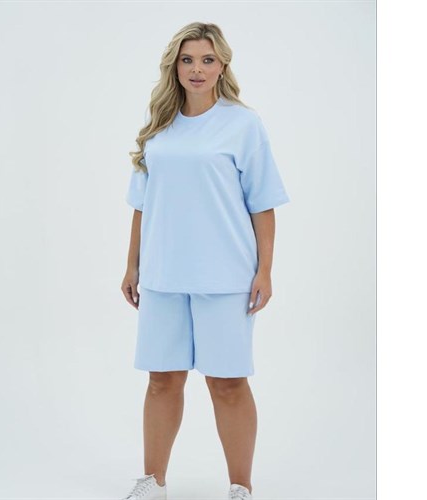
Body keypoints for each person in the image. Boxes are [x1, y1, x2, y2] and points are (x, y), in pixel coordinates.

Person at [120, 21, 290, 500]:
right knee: (161, 380)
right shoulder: (158, 125)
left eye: (207, 59)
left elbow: (263, 203)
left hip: (226, 276)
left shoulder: (243, 124)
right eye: (188, 60)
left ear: (222, 66)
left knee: (228, 383)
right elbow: (142, 203)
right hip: (163, 275)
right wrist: (132, 265)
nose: (197, 69)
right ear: (174, 66)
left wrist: (265, 270)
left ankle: (241, 487)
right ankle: (153, 482)